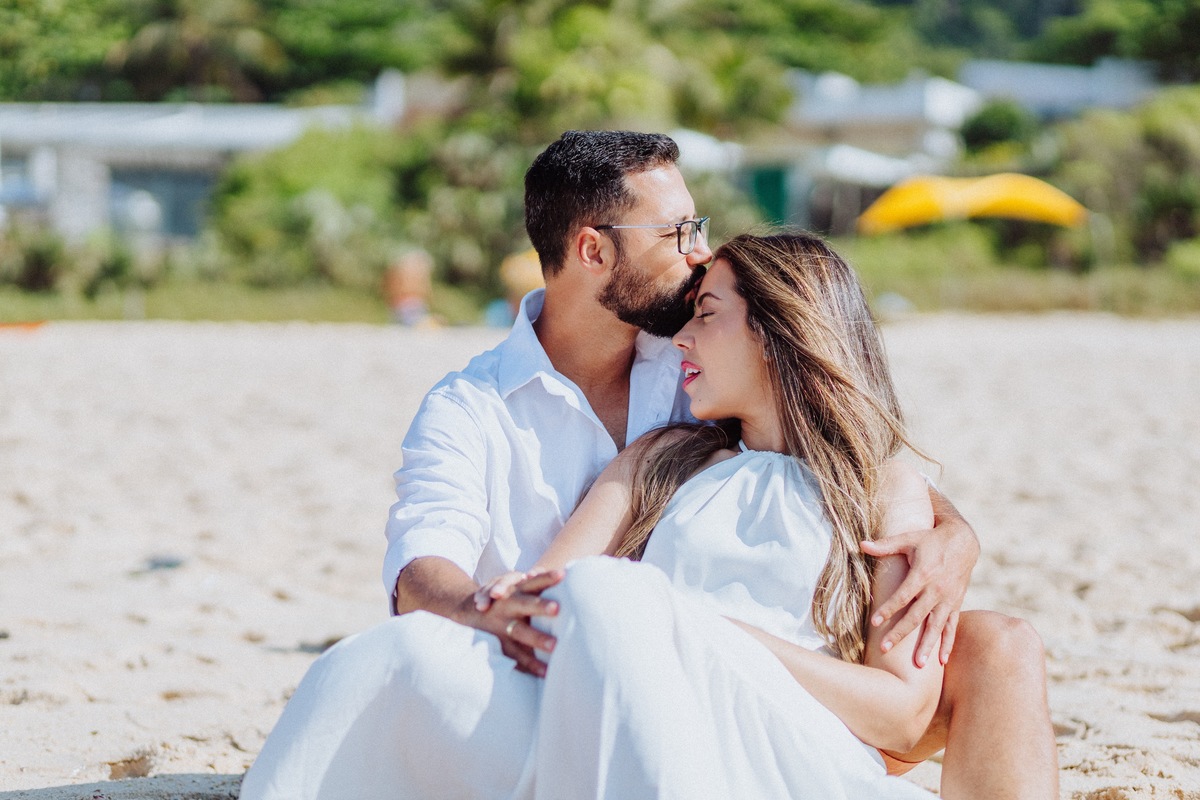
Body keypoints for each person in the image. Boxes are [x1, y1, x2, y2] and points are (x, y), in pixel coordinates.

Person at [241, 131, 1056, 799]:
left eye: (699, 237)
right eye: (678, 236)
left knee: (1002, 643)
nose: (697, 258)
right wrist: (499, 614)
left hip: (766, 697)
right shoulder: (488, 410)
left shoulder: (693, 374)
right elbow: (432, 572)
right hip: (543, 673)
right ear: (592, 250)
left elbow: (843, 460)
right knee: (385, 662)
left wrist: (952, 533)